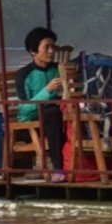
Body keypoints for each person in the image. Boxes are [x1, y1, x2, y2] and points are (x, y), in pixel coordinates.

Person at [15, 26, 67, 182]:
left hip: (55, 120)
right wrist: (47, 90)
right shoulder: (24, 74)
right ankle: (58, 169)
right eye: (46, 47)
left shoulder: (58, 69)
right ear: (33, 51)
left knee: (71, 113)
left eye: (53, 47)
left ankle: (80, 165)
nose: (51, 51)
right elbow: (24, 111)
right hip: (30, 125)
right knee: (52, 112)